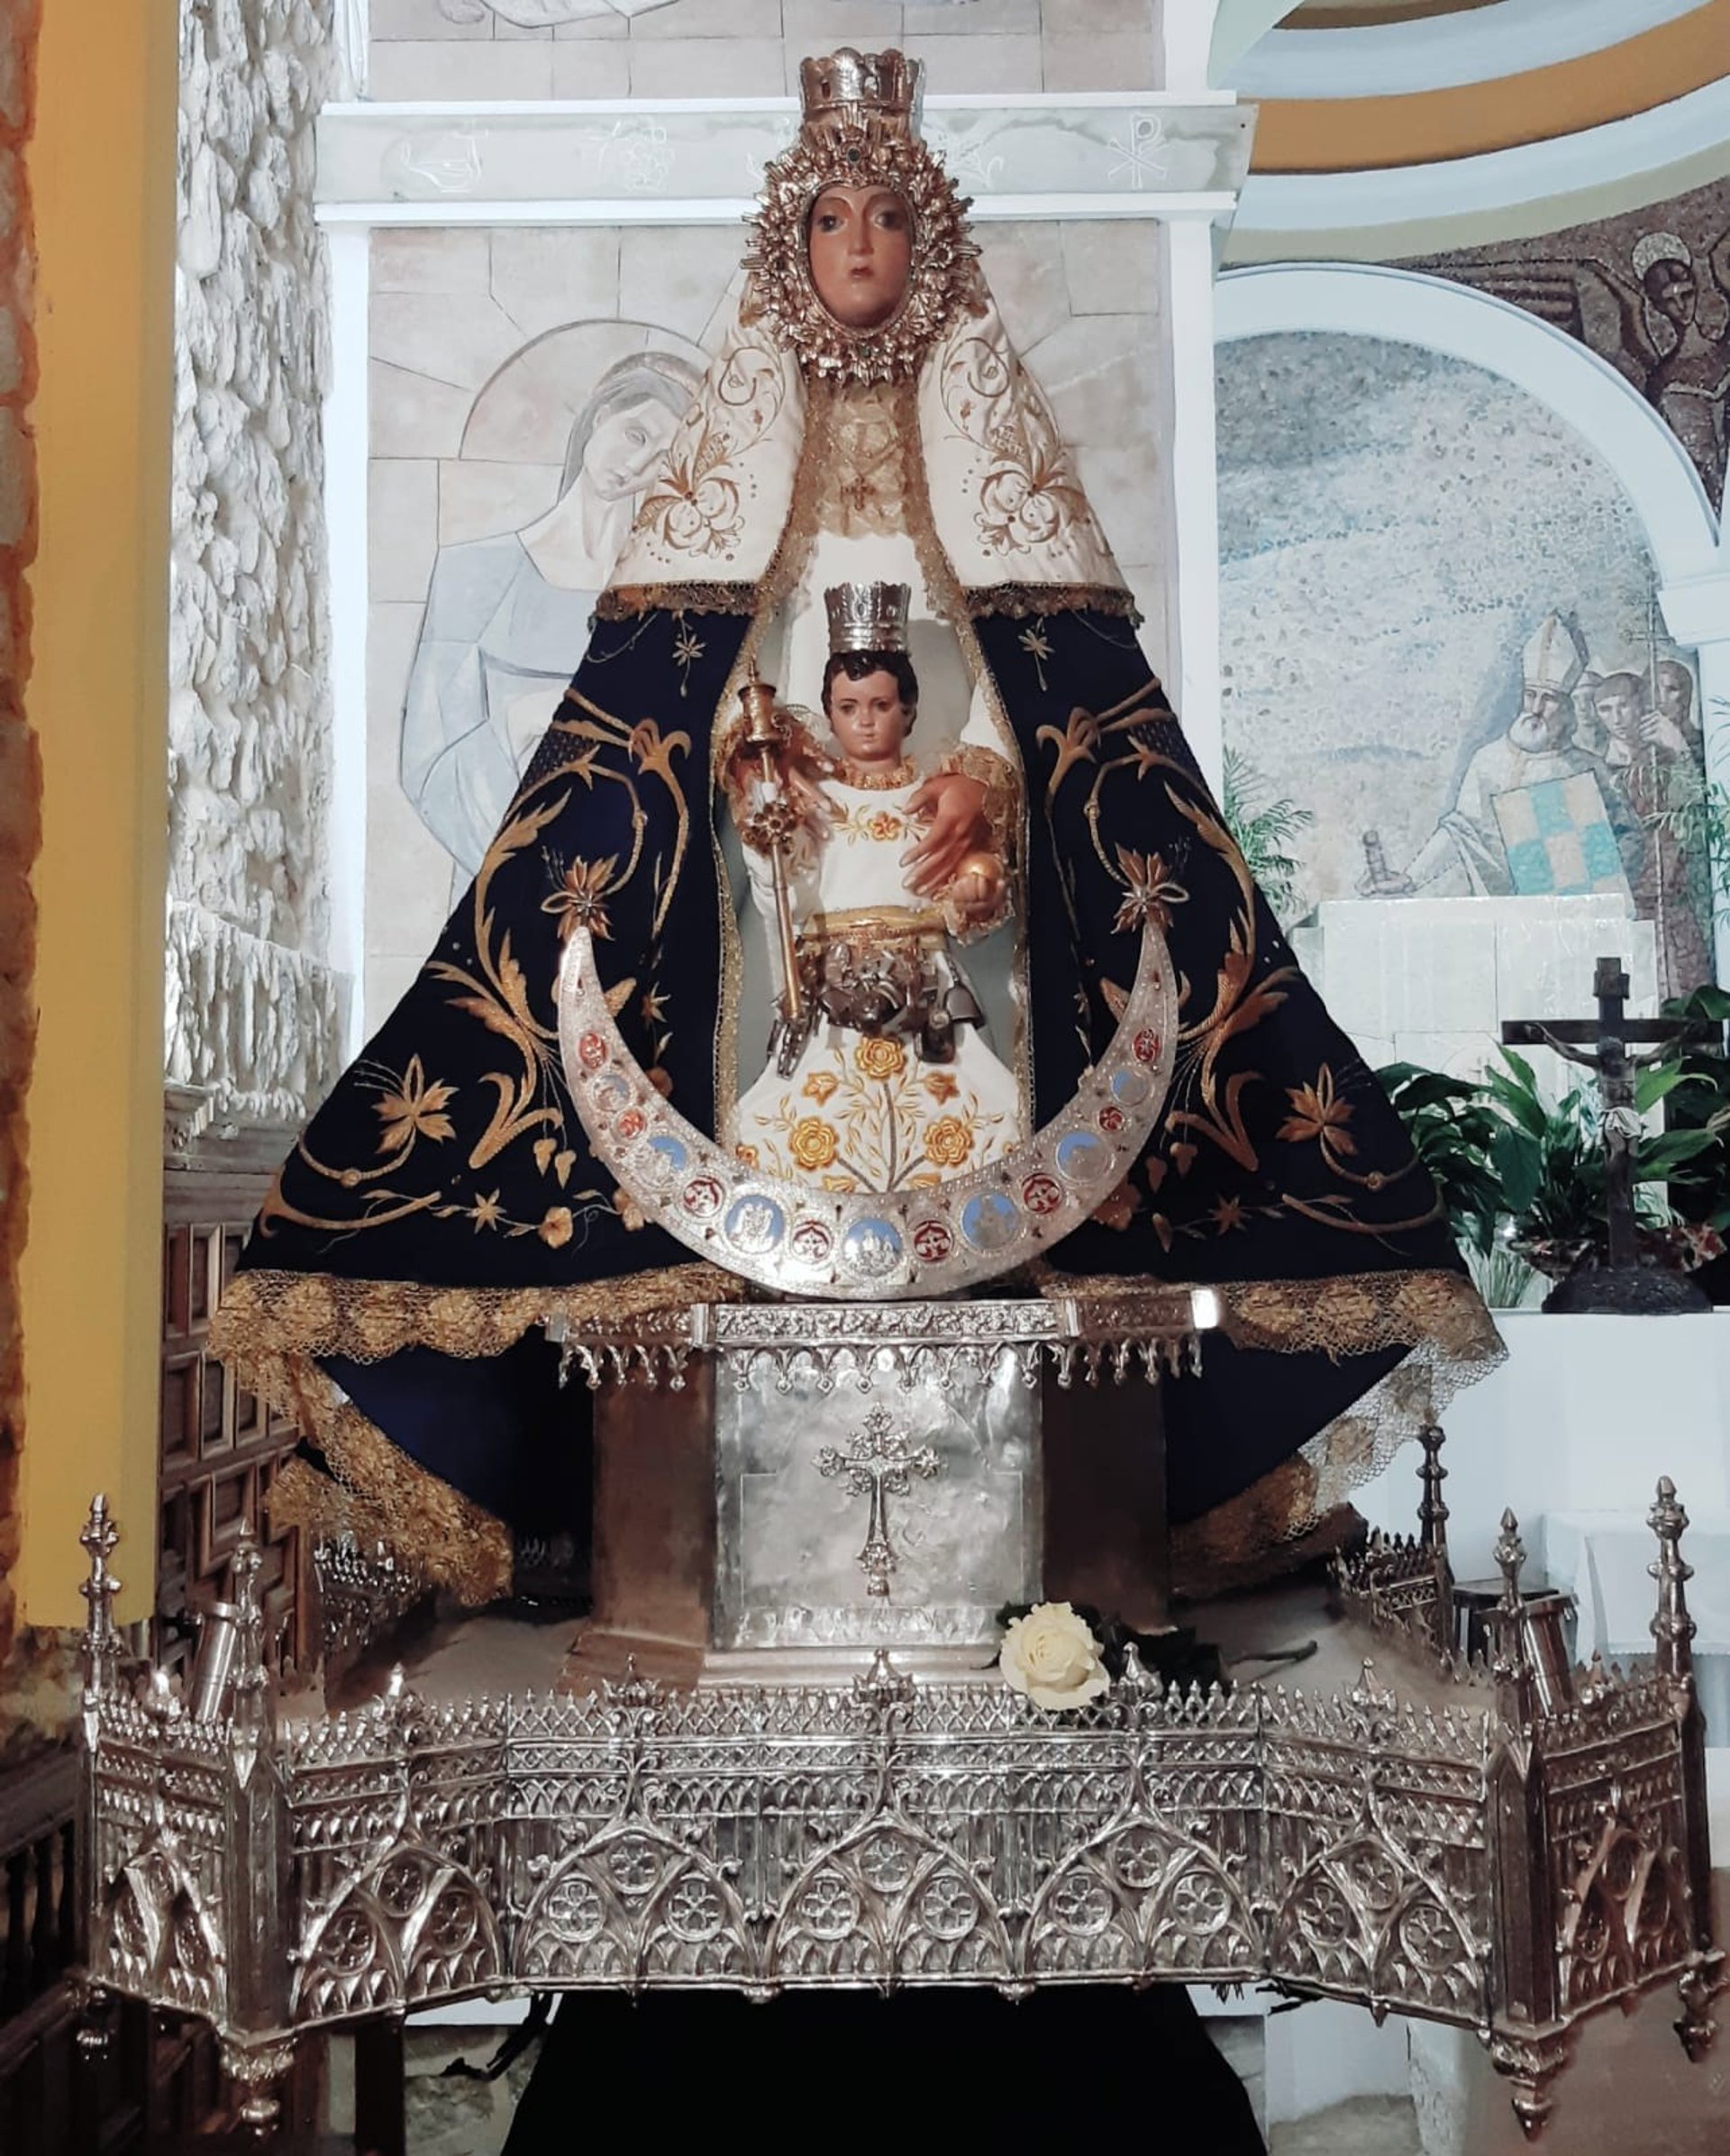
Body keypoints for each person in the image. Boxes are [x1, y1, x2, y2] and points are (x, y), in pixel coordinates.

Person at [214, 46, 1498, 1615]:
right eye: (830, 220)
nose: (862, 247)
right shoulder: (732, 488)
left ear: (931, 245)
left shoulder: (992, 471)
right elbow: (661, 719)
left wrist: (991, 784)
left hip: (962, 958)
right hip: (775, 924)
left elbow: (1062, 714)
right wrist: (752, 769)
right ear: (791, 249)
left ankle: (1050, 1550)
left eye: (889, 218)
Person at [727, 581, 1022, 1189]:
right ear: (829, 711)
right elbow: (788, 898)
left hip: (926, 993)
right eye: (848, 707)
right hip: (832, 998)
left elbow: (973, 878)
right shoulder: (813, 800)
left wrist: (977, 885)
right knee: (784, 1128)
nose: (864, 721)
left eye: (880, 705)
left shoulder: (937, 796)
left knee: (983, 1121)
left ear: (908, 710)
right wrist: (766, 840)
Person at [401, 349, 702, 881]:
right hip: (504, 887)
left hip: (625, 882)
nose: (636, 466)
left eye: (662, 457)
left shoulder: (667, 599)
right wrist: (518, 722)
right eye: (635, 435)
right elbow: (429, 768)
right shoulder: (474, 573)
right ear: (602, 415)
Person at [1391, 614, 1622, 896]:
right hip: (1504, 904)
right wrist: (1410, 878)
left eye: (1549, 698)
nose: (1535, 708)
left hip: (1574, 907)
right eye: (1530, 695)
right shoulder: (1488, 760)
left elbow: (1625, 839)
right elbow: (1462, 830)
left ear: (1566, 707)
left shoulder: (1589, 768)